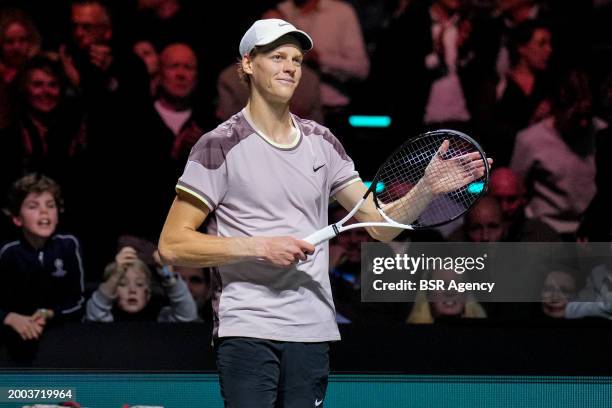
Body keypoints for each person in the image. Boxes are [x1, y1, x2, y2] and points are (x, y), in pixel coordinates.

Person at [158, 18, 488, 407]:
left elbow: (380, 227)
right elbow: (173, 245)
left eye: (297, 59)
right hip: (247, 326)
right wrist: (259, 247)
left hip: (311, 330)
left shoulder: (322, 142)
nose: (290, 67)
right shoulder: (219, 145)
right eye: (277, 57)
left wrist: (426, 188)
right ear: (248, 64)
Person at [0, 174, 85, 341]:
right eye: (33, 206)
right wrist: (10, 318)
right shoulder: (7, 252)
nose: (44, 211)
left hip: (63, 337)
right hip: (12, 341)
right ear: (17, 219)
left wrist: (50, 314)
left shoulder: (69, 245)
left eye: (50, 205)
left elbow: (79, 302)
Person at [85, 246, 198, 322]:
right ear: (112, 292)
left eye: (139, 284)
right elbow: (95, 315)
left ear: (148, 294)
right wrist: (115, 276)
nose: (132, 290)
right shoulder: (107, 318)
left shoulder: (161, 317)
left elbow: (187, 316)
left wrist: (167, 274)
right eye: (122, 284)